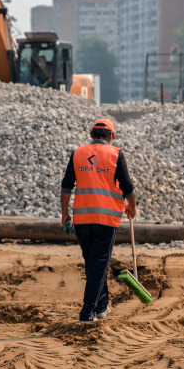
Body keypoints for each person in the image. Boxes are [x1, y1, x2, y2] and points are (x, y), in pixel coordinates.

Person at [60, 119, 137, 322]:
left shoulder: (78, 153)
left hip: (81, 219)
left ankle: (101, 306)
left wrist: (64, 213)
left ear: (91, 134)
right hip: (106, 219)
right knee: (98, 264)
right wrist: (132, 207)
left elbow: (66, 186)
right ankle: (87, 313)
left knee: (93, 263)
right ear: (111, 136)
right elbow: (128, 187)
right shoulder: (116, 154)